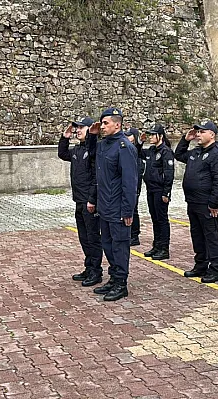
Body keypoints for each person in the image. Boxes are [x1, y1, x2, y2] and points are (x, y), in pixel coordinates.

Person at [87, 107, 138, 301]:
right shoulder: (103, 144)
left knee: (120, 246)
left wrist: (128, 210)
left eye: (106, 123)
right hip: (105, 206)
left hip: (118, 207)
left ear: (118, 124)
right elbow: (92, 155)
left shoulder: (125, 147)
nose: (103, 127)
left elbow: (129, 181)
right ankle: (113, 277)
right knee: (107, 244)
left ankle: (121, 283)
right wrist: (91, 136)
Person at [174, 120, 218, 283]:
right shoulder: (196, 152)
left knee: (211, 236)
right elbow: (178, 155)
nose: (198, 134)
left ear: (211, 134)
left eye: (201, 132)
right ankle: (201, 265)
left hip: (207, 204)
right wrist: (185, 139)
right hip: (193, 201)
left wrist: (214, 203)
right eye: (197, 132)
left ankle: (215, 269)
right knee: (197, 235)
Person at [58, 116, 103, 287]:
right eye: (76, 128)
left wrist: (92, 199)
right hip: (79, 200)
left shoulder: (94, 150)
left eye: (80, 128)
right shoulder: (77, 150)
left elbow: (96, 178)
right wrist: (65, 137)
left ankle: (96, 271)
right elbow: (62, 154)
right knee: (84, 237)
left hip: (90, 202)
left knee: (93, 238)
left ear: (90, 130)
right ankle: (89, 267)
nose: (77, 131)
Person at [138, 124, 175, 260]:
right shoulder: (152, 150)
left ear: (160, 136)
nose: (150, 138)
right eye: (150, 135)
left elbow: (169, 173)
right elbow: (137, 152)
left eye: (153, 135)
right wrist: (140, 142)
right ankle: (157, 245)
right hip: (151, 189)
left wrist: (167, 192)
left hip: (160, 190)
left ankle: (164, 248)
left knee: (162, 219)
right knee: (155, 218)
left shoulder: (165, 151)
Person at [124, 127, 145, 246]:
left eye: (129, 135)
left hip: (135, 183)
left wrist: (140, 142)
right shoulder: (126, 147)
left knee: (133, 209)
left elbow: (137, 150)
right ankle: (130, 233)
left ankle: (135, 235)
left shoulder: (136, 150)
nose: (127, 137)